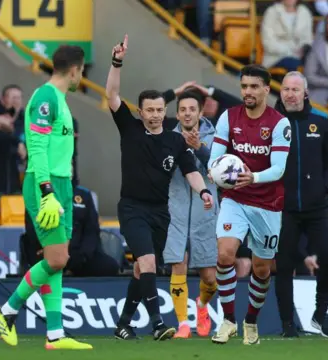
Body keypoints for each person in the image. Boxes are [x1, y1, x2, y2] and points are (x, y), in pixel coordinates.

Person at [105, 35, 213, 341]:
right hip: (132, 208)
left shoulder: (175, 140)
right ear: (140, 112)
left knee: (142, 272)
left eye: (158, 110)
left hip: (159, 212)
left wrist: (203, 191)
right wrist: (117, 61)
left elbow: (191, 170)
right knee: (148, 262)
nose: (154, 115)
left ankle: (123, 324)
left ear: (165, 112)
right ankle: (156, 323)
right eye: (148, 110)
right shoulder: (129, 128)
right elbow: (112, 94)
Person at [0, 45, 92, 350]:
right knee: (57, 257)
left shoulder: (59, 99)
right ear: (75, 69)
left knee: (57, 260)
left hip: (61, 184)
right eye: (81, 71)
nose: (81, 77)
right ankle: (7, 311)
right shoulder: (47, 97)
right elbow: (35, 146)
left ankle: (55, 334)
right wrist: (47, 191)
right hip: (43, 183)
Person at [207, 64, 291, 345]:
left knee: (262, 268)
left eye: (254, 87)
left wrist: (251, 176)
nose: (248, 92)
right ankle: (228, 320)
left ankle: (251, 321)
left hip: (268, 203)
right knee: (225, 255)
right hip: (235, 198)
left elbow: (279, 169)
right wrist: (214, 170)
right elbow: (214, 158)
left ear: (267, 89)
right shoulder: (228, 118)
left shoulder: (279, 124)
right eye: (244, 86)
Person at [273, 71, 328, 338]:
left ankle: (319, 313)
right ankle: (287, 324)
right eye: (286, 89)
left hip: (316, 206)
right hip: (284, 208)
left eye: (295, 89)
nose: (290, 94)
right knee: (284, 264)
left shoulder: (321, 122)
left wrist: (323, 188)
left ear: (305, 93)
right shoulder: (273, 123)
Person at [163, 91, 219, 339]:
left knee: (210, 277)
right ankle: (183, 323)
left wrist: (201, 150)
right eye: (183, 109)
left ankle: (203, 305)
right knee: (178, 263)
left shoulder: (217, 137)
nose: (187, 113)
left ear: (200, 112)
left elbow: (222, 170)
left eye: (192, 109)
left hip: (205, 211)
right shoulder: (167, 138)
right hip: (174, 209)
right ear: (177, 114)